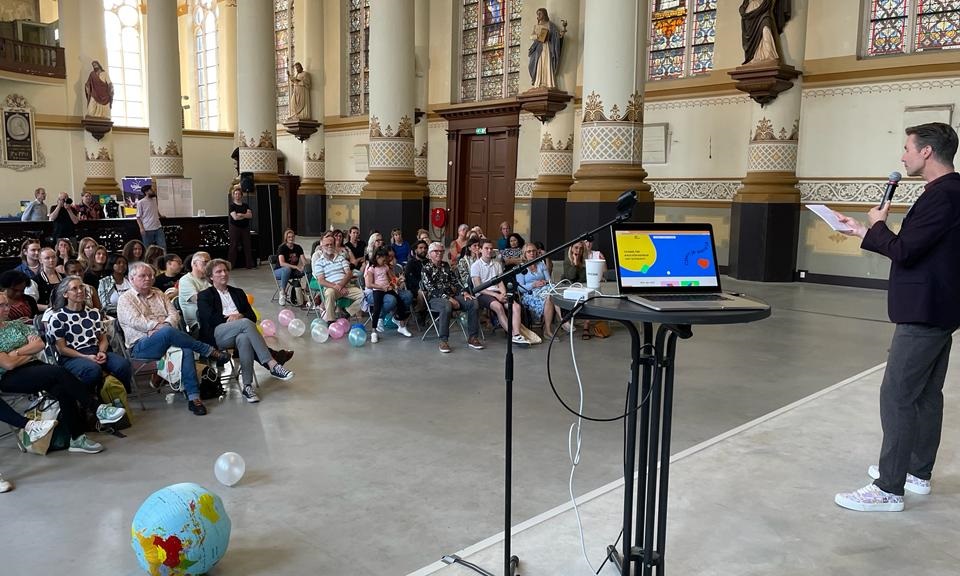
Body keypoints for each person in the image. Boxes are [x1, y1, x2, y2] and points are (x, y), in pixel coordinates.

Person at [833, 123, 960, 512]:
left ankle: (889, 487)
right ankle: (917, 472)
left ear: (926, 152)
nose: (902, 157)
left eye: (907, 148)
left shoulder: (943, 195)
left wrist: (877, 225)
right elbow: (915, 246)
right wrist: (863, 230)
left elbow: (905, 251)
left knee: (898, 395)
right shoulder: (950, 192)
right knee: (925, 394)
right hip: (941, 307)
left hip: (924, 309)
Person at [0, 291, 124, 454]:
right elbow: (8, 365)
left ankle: (77, 438)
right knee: (58, 372)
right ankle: (97, 408)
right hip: (8, 377)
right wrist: (28, 351)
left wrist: (15, 353)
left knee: (63, 390)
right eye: (1, 306)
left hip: (34, 366)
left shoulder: (17, 325)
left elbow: (39, 344)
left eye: (6, 304)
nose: (6, 308)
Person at [117, 261, 230, 416]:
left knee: (185, 350)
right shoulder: (125, 299)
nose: (148, 278)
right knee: (169, 333)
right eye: (142, 276)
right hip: (141, 346)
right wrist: (160, 327)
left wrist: (163, 326)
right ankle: (208, 350)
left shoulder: (158, 293)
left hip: (170, 341)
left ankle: (194, 398)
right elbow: (135, 321)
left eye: (150, 275)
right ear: (131, 279)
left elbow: (174, 314)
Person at [198, 259, 294, 403]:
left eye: (225, 270)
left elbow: (252, 316)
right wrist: (234, 320)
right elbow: (209, 318)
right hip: (217, 333)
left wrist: (240, 315)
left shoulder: (237, 292)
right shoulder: (205, 295)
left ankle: (247, 386)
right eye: (219, 272)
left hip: (240, 331)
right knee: (245, 324)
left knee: (244, 338)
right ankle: (272, 364)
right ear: (211, 277)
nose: (224, 274)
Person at [50, 277, 132, 394]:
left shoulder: (93, 313)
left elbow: (103, 339)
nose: (80, 291)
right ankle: (88, 399)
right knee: (92, 370)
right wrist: (85, 357)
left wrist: (102, 352)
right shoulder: (57, 318)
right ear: (65, 294)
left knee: (123, 365)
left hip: (95, 351)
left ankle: (119, 395)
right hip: (73, 356)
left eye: (81, 287)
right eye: (74, 288)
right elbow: (62, 349)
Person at [421, 241, 484, 353]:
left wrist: (464, 292)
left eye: (441, 251)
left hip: (453, 295)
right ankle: (443, 341)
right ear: (429, 254)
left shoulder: (446, 265)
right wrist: (448, 298)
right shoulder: (426, 268)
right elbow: (432, 289)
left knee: (473, 302)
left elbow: (455, 281)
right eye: (436, 251)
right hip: (435, 298)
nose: (439, 253)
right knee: (447, 305)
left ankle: (473, 337)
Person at [471, 239, 531, 346]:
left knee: (516, 306)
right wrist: (497, 296)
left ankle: (517, 334)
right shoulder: (475, 266)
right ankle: (513, 334)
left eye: (491, 248)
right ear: (480, 250)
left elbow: (500, 283)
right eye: (486, 248)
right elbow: (479, 288)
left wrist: (503, 293)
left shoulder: (497, 264)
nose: (489, 251)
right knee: (498, 307)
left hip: (498, 292)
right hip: (483, 294)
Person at [517, 243, 568, 338]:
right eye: (529, 251)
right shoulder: (521, 268)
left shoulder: (541, 265)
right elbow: (520, 288)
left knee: (553, 293)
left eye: (534, 251)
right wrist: (533, 284)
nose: (532, 253)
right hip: (530, 293)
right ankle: (562, 321)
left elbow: (549, 281)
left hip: (544, 289)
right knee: (551, 296)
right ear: (524, 254)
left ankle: (549, 329)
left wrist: (545, 282)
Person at [364, 248, 413, 343]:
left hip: (387, 288)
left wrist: (397, 281)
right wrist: (381, 287)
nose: (385, 262)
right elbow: (369, 284)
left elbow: (392, 278)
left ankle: (402, 325)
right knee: (377, 308)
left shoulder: (385, 267)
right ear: (377, 257)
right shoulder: (371, 268)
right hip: (378, 290)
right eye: (383, 260)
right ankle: (374, 331)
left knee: (400, 301)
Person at [312, 232, 363, 321]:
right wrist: (337, 287)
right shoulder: (319, 262)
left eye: (331, 244)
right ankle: (330, 320)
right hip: (331, 288)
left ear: (334, 246)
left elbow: (349, 273)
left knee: (365, 296)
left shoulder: (341, 258)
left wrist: (341, 285)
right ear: (322, 246)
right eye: (326, 245)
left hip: (346, 286)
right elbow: (321, 280)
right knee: (329, 293)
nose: (329, 246)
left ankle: (348, 312)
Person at [740, 0, 791, 66]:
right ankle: (755, 57)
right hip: (751, 11)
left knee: (766, 29)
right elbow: (744, 5)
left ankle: (769, 55)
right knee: (763, 29)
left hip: (764, 9)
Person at [528, 7, 565, 88]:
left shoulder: (550, 25)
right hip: (538, 47)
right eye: (537, 14)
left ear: (544, 14)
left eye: (540, 13)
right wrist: (538, 36)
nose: (538, 15)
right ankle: (538, 82)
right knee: (537, 63)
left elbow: (556, 36)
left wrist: (561, 35)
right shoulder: (536, 26)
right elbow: (531, 36)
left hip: (547, 46)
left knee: (547, 62)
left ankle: (548, 82)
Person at [178, 252, 211, 331]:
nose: (209, 265)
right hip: (198, 324)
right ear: (194, 264)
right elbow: (198, 300)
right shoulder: (186, 280)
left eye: (210, 262)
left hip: (214, 317)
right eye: (205, 262)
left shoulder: (208, 280)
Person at [275, 229, 306, 306]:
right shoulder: (282, 248)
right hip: (280, 271)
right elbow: (282, 263)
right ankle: (282, 292)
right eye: (289, 237)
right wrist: (296, 267)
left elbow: (304, 260)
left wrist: (304, 266)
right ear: (286, 238)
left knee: (308, 269)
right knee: (287, 269)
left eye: (292, 236)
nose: (291, 238)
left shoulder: (298, 247)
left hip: (293, 271)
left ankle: (305, 290)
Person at [228, 185, 255, 269]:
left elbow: (250, 216)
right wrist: (245, 215)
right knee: (233, 246)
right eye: (236, 194)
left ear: (241, 195)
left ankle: (249, 265)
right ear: (233, 195)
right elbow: (235, 218)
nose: (237, 195)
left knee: (247, 246)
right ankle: (230, 265)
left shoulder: (246, 205)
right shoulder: (232, 206)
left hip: (245, 227)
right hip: (235, 228)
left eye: (239, 194)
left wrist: (241, 214)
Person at [136, 184, 166, 250]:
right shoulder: (141, 202)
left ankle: (163, 257)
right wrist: (141, 228)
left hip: (158, 227)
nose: (153, 191)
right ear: (146, 192)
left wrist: (160, 216)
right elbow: (138, 217)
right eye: (151, 190)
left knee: (162, 246)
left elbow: (156, 209)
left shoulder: (154, 200)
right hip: (147, 229)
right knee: (148, 248)